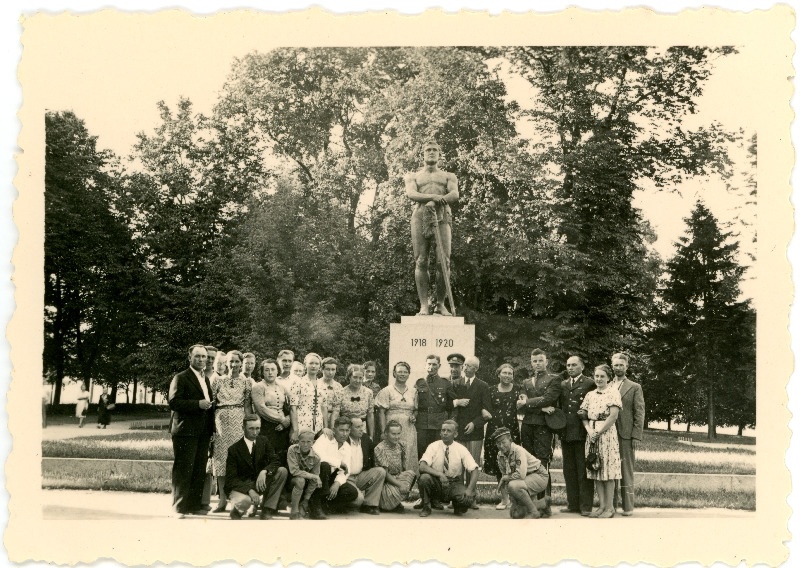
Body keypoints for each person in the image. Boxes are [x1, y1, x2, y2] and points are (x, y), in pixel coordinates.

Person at [405, 139, 459, 316]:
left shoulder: (448, 176)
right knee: (421, 260)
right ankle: (424, 305)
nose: (431, 152)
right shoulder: (414, 176)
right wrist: (432, 197)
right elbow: (411, 193)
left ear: (440, 154)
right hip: (420, 215)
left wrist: (438, 199)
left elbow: (454, 194)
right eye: (428, 149)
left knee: (444, 261)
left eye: (435, 150)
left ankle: (440, 304)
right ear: (423, 153)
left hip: (442, 214)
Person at [168, 344, 214, 517]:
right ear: (190, 358)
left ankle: (193, 505)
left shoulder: (205, 379)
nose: (202, 360)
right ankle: (179, 507)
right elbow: (174, 402)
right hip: (185, 430)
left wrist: (212, 430)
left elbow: (209, 407)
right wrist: (197, 404)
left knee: (198, 468)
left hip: (202, 431)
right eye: (198, 356)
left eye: (204, 357)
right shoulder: (181, 377)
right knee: (183, 468)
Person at [517, 348, 561, 513]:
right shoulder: (526, 382)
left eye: (540, 360)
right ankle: (531, 502)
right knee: (529, 464)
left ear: (546, 362)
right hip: (527, 425)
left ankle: (545, 503)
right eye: (534, 361)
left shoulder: (553, 380)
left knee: (542, 464)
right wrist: (541, 408)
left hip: (544, 427)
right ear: (531, 363)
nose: (537, 364)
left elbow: (549, 398)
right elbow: (521, 402)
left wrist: (528, 402)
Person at [224, 415, 289, 520]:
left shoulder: (264, 441)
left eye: (257, 428)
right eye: (251, 428)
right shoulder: (234, 449)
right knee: (245, 501)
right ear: (243, 428)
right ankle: (236, 509)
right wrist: (249, 490)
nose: (255, 432)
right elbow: (231, 479)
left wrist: (264, 471)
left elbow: (275, 460)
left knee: (282, 471)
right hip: (241, 486)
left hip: (259, 482)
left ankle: (267, 508)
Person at [210, 350, 252, 512]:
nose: (234, 365)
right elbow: (212, 405)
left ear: (241, 363)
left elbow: (247, 405)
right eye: (231, 361)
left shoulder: (247, 382)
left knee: (239, 460)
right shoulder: (218, 381)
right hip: (220, 421)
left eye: (237, 362)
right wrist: (212, 426)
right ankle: (221, 499)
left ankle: (238, 499)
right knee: (220, 460)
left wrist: (249, 426)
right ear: (225, 363)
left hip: (238, 421)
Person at [580, 364, 622, 518]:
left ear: (608, 378)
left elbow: (613, 416)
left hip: (606, 434)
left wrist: (598, 431)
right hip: (591, 434)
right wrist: (590, 431)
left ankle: (610, 508)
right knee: (595, 470)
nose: (598, 379)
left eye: (602, 376)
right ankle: (601, 506)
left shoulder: (613, 393)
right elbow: (583, 415)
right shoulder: (590, 395)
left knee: (608, 472)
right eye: (596, 376)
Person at [417, 420, 479, 517]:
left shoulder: (461, 448)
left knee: (466, 500)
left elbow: (474, 469)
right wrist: (440, 474)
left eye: (448, 431)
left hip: (453, 483)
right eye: (443, 430)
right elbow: (422, 466)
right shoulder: (433, 446)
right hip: (437, 482)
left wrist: (470, 489)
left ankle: (457, 505)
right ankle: (427, 506)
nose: (445, 433)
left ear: (455, 434)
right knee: (424, 478)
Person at [559, 355, 596, 516]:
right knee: (569, 470)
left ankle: (586, 506)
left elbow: (595, 405)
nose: (570, 368)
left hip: (582, 433)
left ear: (582, 366)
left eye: (574, 365)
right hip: (566, 433)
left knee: (583, 470)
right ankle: (572, 504)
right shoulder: (563, 384)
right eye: (568, 365)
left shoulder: (589, 383)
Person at [610, 352, 645, 516]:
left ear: (626, 367)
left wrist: (636, 435)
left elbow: (639, 412)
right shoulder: (607, 385)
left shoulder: (634, 387)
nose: (618, 368)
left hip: (626, 434)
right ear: (612, 366)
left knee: (626, 470)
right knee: (610, 470)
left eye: (621, 365)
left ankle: (628, 507)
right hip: (608, 434)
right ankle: (610, 505)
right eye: (616, 365)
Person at [483, 363, 521, 510]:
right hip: (495, 431)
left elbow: (524, 403)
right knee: (500, 465)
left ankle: (514, 499)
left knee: (512, 465)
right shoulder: (491, 390)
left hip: (512, 432)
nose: (507, 375)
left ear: (513, 376)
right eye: (504, 373)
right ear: (498, 374)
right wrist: (483, 411)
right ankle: (504, 499)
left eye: (510, 373)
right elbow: (484, 405)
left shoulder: (518, 390)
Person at [492, 427, 550, 519]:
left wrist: (505, 479)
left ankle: (534, 512)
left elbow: (520, 474)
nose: (501, 446)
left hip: (539, 475)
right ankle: (543, 503)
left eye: (503, 442)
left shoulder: (518, 450)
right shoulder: (500, 455)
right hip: (523, 480)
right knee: (516, 514)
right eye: (498, 443)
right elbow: (505, 475)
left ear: (510, 440)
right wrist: (512, 497)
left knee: (513, 485)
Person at [451, 355, 493, 470]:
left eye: (469, 366)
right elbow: (448, 406)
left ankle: (471, 488)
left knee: (472, 466)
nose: (465, 368)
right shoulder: (455, 384)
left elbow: (487, 411)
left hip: (475, 433)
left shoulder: (483, 386)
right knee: (457, 465)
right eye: (464, 365)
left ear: (476, 369)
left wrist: (474, 423)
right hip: (458, 431)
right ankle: (458, 488)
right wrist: (457, 402)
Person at [375, 361, 418, 472]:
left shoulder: (414, 392)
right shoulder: (386, 391)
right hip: (392, 427)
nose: (402, 374)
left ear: (409, 374)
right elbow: (381, 412)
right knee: (392, 453)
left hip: (408, 428)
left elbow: (415, 410)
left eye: (405, 372)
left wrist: (414, 416)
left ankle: (409, 481)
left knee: (408, 453)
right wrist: (384, 431)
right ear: (394, 373)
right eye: (399, 372)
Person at [312, 417, 359, 513]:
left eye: (347, 430)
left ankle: (326, 505)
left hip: (331, 478)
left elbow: (346, 471)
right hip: (317, 476)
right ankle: (316, 506)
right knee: (324, 465)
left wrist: (337, 483)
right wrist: (339, 463)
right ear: (334, 430)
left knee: (352, 492)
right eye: (341, 430)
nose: (344, 433)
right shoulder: (325, 438)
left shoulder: (347, 447)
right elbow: (317, 456)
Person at [414, 354, 455, 460]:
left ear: (439, 366)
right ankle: (423, 475)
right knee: (421, 450)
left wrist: (450, 422)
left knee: (438, 451)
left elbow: (452, 406)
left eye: (434, 364)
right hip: (422, 423)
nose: (431, 367)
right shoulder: (420, 382)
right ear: (425, 365)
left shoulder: (445, 383)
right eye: (429, 364)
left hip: (438, 423)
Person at [251, 358, 291, 464]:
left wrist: (288, 420)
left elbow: (292, 406)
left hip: (283, 427)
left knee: (282, 456)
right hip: (266, 426)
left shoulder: (282, 387)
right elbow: (261, 409)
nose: (270, 372)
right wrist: (282, 419)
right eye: (267, 370)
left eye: (273, 369)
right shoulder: (258, 387)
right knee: (267, 456)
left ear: (277, 371)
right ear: (262, 372)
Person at [345, 417, 386, 515]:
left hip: (359, 476)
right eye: (357, 427)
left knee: (380, 471)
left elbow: (376, 450)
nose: (361, 429)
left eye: (362, 426)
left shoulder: (365, 438)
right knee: (358, 500)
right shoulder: (344, 439)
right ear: (349, 429)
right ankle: (344, 505)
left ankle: (369, 504)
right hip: (346, 478)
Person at [374, 420, 417, 512]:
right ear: (386, 433)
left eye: (398, 433)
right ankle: (387, 503)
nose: (396, 437)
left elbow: (403, 468)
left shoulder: (401, 445)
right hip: (384, 481)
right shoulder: (380, 448)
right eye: (393, 434)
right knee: (396, 490)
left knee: (411, 474)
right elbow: (385, 474)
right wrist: (400, 484)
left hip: (397, 477)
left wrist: (403, 482)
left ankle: (395, 502)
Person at [286, 430, 326, 520]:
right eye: (302, 442)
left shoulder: (316, 458)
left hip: (303, 486)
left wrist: (306, 499)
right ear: (298, 441)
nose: (305, 444)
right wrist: (314, 476)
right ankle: (294, 511)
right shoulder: (292, 449)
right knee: (300, 480)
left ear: (313, 442)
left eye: (308, 442)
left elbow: (313, 482)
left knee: (303, 481)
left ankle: (302, 505)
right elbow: (294, 471)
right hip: (289, 481)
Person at [331, 364, 375, 438]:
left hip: (362, 428)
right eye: (355, 377)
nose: (358, 380)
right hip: (345, 428)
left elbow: (370, 414)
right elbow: (335, 413)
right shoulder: (340, 392)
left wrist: (371, 435)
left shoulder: (368, 392)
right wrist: (333, 431)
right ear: (349, 377)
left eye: (360, 378)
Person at [289, 353, 325, 443]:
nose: (313, 366)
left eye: (316, 364)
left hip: (319, 428)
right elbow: (293, 408)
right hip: (302, 426)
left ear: (320, 366)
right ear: (305, 365)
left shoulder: (322, 384)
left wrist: (325, 428)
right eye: (311, 363)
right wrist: (295, 430)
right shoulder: (298, 382)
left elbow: (324, 407)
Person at [318, 357, 343, 429]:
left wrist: (332, 427)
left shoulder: (338, 386)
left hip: (334, 419)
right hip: (318, 417)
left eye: (333, 369)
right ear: (322, 369)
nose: (330, 372)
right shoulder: (316, 384)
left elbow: (337, 408)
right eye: (327, 369)